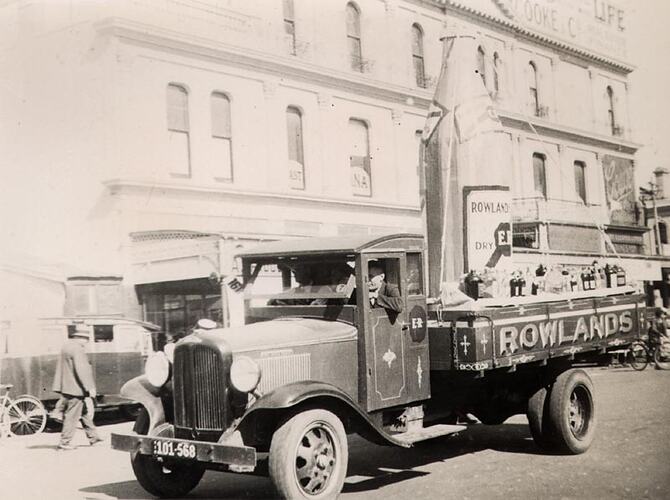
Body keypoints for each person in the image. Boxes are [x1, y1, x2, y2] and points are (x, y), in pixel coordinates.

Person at [52, 325, 103, 450]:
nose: (86, 342)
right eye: (86, 339)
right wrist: (90, 387)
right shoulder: (78, 349)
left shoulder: (66, 346)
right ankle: (65, 442)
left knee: (84, 413)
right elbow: (82, 370)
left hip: (67, 387)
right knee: (72, 416)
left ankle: (94, 438)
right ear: (81, 338)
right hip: (76, 389)